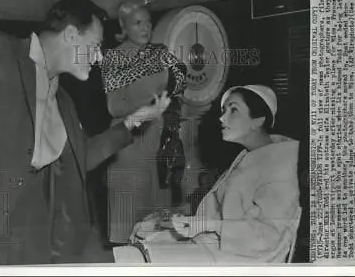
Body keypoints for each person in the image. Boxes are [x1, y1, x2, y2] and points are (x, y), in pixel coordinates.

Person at [0, 0, 171, 265]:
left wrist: (134, 120)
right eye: (96, 45)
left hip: (38, 235)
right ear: (70, 35)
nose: (100, 57)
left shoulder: (63, 100)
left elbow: (81, 157)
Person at [119, 85, 301, 264]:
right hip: (216, 244)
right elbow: (220, 208)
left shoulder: (281, 166)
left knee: (136, 259)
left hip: (241, 259)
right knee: (142, 235)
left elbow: (267, 237)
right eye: (223, 110)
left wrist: (208, 225)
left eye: (234, 110)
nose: (222, 118)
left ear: (258, 120)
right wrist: (178, 218)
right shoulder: (248, 156)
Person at [100, 1, 187, 244]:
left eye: (148, 21)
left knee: (158, 225)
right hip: (129, 144)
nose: (146, 27)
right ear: (123, 27)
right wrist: (146, 107)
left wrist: (171, 99)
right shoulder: (114, 57)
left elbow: (181, 80)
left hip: (160, 143)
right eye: (138, 22)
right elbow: (113, 106)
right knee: (127, 220)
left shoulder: (161, 52)